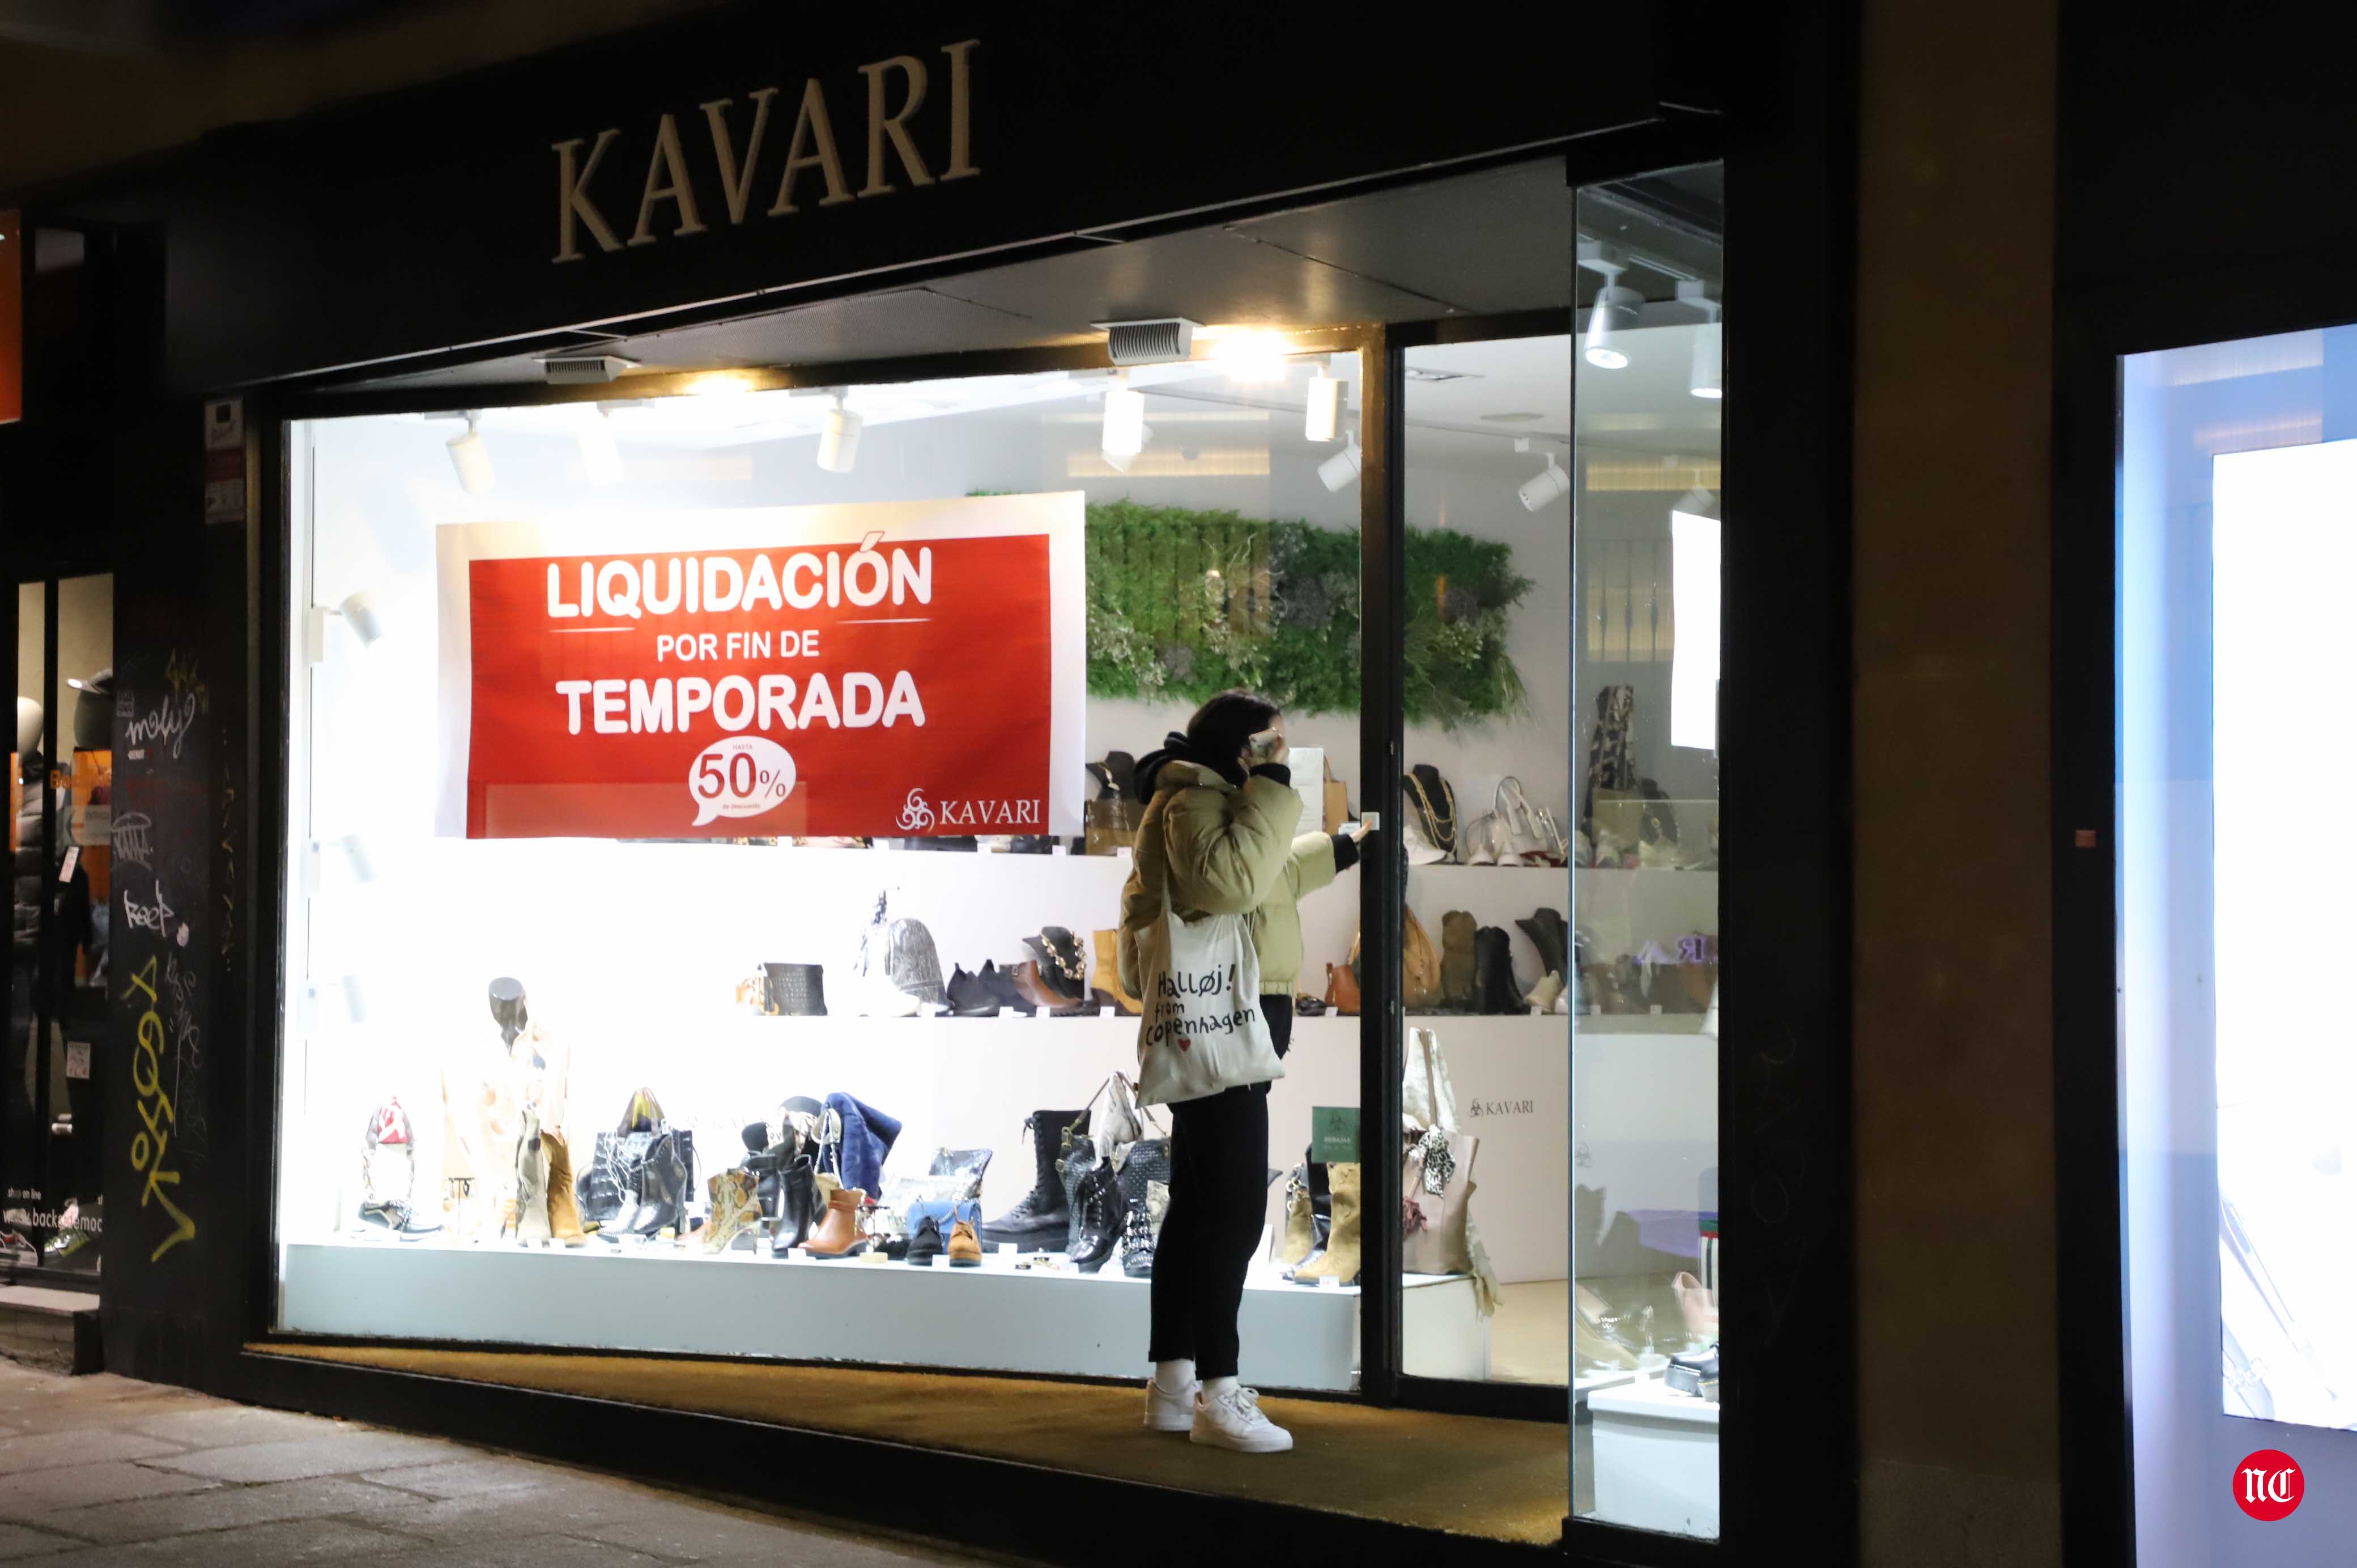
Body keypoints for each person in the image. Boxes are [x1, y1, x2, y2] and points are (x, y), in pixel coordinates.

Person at [1118, 689, 1371, 1454]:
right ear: (1239, 747)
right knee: (1232, 1211)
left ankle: (1173, 1382)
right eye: (1271, 744)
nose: (1282, 755)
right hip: (1221, 1024)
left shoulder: (1220, 799)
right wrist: (1274, 790)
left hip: (1239, 1021)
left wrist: (1341, 848)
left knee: (1198, 1207)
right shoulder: (1188, 799)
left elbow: (1263, 881)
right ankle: (1218, 1394)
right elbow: (1227, 884)